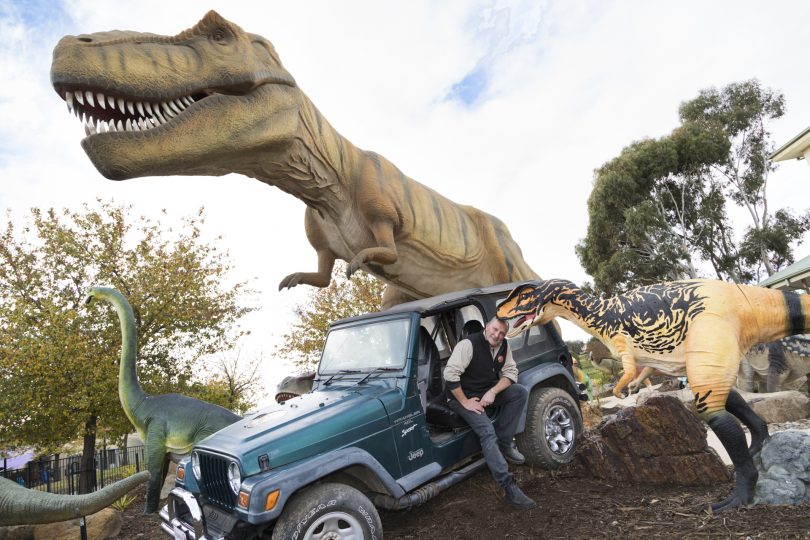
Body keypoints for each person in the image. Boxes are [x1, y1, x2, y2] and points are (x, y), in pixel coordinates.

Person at [443, 316, 536, 509]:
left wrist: (492, 392)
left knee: (519, 392)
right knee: (486, 431)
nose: (497, 335)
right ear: (487, 327)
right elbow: (450, 376)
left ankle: (504, 443)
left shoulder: (503, 346)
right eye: (494, 329)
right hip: (462, 396)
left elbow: (511, 373)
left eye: (502, 333)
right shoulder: (468, 344)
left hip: (485, 391)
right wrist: (465, 402)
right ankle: (509, 486)